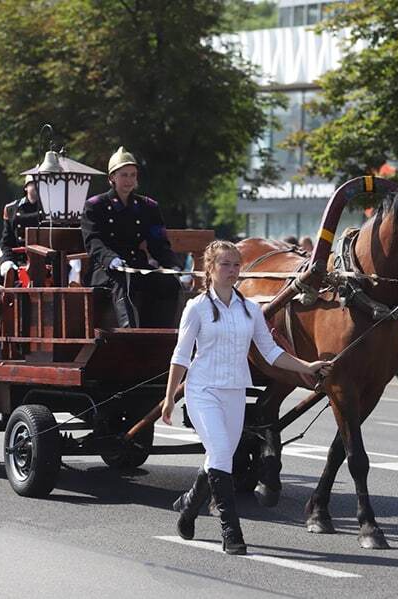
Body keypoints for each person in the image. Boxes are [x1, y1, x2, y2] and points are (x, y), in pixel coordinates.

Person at [161, 240, 332, 555]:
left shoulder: (250, 309)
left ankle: (188, 505)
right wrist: (171, 397)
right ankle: (231, 532)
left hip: (234, 392)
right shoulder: (196, 307)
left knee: (218, 456)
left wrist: (306, 365)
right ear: (210, 269)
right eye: (225, 264)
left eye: (236, 265)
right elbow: (181, 356)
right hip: (203, 391)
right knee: (223, 453)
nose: (232, 271)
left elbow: (271, 352)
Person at [81, 146, 184, 328]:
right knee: (123, 280)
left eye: (133, 175)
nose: (129, 180)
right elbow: (93, 241)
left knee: (168, 283)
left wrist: (173, 266)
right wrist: (110, 259)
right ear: (112, 178)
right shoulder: (95, 206)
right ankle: (130, 335)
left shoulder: (148, 206)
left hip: (137, 266)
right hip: (106, 269)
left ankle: (159, 334)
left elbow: (158, 243)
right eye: (124, 175)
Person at [0, 174, 45, 280]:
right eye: (34, 184)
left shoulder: (51, 208)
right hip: (18, 262)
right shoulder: (11, 209)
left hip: (44, 263)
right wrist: (6, 261)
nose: (38, 187)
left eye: (41, 184)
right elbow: (6, 242)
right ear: (26, 187)